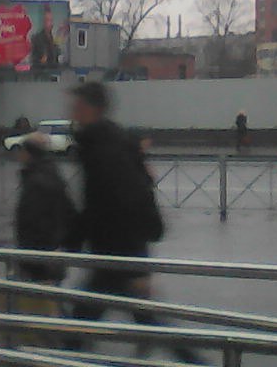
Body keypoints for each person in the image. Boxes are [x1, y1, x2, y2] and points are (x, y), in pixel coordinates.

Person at [64, 83, 202, 363]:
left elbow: (115, 203)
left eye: (76, 107)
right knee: (146, 321)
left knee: (82, 325)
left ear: (91, 109)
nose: (72, 112)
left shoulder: (103, 148)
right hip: (118, 253)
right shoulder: (109, 142)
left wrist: (135, 263)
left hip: (116, 255)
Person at [14, 133, 75, 283]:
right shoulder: (51, 173)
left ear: (28, 153)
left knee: (38, 293)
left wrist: (29, 258)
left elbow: (33, 222)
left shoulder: (37, 181)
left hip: (39, 256)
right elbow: (68, 211)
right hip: (51, 251)